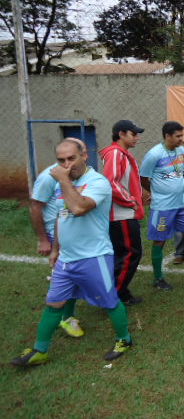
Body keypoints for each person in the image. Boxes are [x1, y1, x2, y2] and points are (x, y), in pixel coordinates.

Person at [12, 139, 133, 367]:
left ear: (84, 155)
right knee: (53, 304)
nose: (67, 165)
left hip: (94, 257)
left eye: (72, 158)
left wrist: (63, 180)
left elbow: (78, 208)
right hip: (66, 259)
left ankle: (124, 340)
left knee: (110, 303)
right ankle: (40, 350)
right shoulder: (63, 183)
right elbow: (62, 216)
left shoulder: (97, 182)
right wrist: (56, 249)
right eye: (61, 160)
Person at [139, 121, 184, 290]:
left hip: (181, 203)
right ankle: (158, 279)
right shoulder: (154, 154)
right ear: (167, 136)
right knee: (159, 241)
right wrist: (154, 192)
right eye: (178, 136)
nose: (181, 139)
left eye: (182, 135)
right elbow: (143, 178)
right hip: (162, 207)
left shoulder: (181, 151)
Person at [29, 138, 88, 338]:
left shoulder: (80, 175)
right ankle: (65, 317)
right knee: (67, 278)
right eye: (67, 157)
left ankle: (66, 314)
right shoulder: (48, 177)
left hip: (74, 234)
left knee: (75, 275)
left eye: (79, 153)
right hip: (56, 234)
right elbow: (35, 206)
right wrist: (43, 239)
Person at [99, 120, 145, 307]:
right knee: (130, 254)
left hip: (124, 213)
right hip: (122, 215)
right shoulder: (116, 153)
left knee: (124, 254)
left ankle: (120, 292)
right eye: (133, 134)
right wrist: (131, 201)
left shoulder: (121, 154)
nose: (137, 138)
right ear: (121, 134)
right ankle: (114, 295)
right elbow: (111, 182)